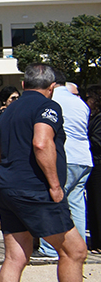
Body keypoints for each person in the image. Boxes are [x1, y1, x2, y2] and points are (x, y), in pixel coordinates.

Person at [0, 64, 99, 282]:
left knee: (16, 255)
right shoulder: (48, 107)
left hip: (6, 188)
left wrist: (7, 179)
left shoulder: (7, 111)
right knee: (75, 251)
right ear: (52, 87)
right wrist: (55, 185)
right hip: (35, 190)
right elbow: (42, 143)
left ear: (23, 85)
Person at [38, 70, 93, 259]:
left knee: (53, 202)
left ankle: (49, 248)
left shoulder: (51, 102)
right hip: (83, 157)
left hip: (65, 157)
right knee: (77, 203)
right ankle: (79, 247)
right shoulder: (80, 102)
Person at [83, 84, 101, 251]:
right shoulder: (92, 117)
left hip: (98, 163)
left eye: (88, 97)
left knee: (97, 202)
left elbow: (97, 141)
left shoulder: (98, 119)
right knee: (93, 204)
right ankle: (96, 240)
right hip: (94, 162)